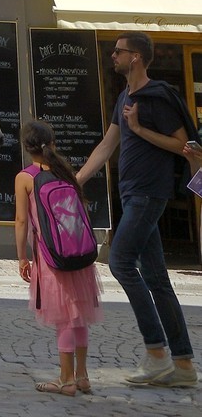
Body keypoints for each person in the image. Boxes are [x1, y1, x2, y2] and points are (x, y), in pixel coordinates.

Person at [78, 32, 196, 388]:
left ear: (137, 58)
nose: (112, 55)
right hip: (132, 194)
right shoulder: (124, 97)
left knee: (121, 262)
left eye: (119, 51)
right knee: (157, 279)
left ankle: (157, 354)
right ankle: (184, 367)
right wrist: (75, 179)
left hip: (149, 193)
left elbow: (182, 145)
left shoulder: (155, 97)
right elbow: (106, 145)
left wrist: (140, 128)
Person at [16, 119, 102, 396]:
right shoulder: (65, 172)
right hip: (79, 253)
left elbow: (21, 221)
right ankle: (83, 376)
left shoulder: (25, 177)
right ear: (52, 144)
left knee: (65, 317)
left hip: (51, 257)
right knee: (78, 316)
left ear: (26, 147)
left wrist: (21, 258)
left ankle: (65, 380)